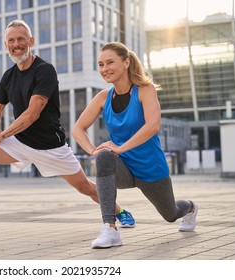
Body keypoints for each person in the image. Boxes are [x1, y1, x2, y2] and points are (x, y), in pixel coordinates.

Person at [0, 20, 134, 240]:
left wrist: (1, 135)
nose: (16, 44)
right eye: (11, 40)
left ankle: (119, 211)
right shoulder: (8, 76)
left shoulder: (44, 70)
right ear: (6, 45)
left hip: (51, 146)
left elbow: (32, 113)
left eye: (21, 39)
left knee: (86, 188)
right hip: (20, 143)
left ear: (31, 41)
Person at [72, 42, 198, 249]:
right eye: (101, 64)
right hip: (124, 168)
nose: (105, 69)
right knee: (104, 157)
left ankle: (191, 207)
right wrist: (94, 150)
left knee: (170, 214)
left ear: (126, 62)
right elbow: (77, 129)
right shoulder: (103, 97)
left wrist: (120, 148)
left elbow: (152, 126)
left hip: (151, 169)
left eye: (110, 62)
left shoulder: (145, 90)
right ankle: (110, 228)